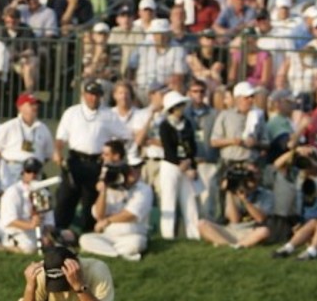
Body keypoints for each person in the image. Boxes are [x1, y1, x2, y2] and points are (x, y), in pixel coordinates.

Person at [53, 81, 134, 229]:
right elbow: (61, 137)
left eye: (97, 95)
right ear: (84, 95)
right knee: (65, 199)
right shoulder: (72, 112)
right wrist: (58, 152)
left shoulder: (108, 115)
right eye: (90, 94)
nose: (93, 98)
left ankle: (88, 234)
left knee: (90, 201)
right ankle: (59, 232)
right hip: (75, 161)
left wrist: (113, 151)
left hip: (96, 162)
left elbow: (125, 135)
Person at [77, 160, 154, 262]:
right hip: (109, 235)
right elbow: (99, 215)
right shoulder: (111, 188)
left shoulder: (143, 189)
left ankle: (109, 252)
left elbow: (131, 215)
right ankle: (117, 254)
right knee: (85, 239)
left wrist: (107, 220)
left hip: (132, 235)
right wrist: (103, 191)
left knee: (136, 243)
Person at [157, 91, 201, 239]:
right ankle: (168, 235)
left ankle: (193, 233)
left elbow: (192, 146)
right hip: (170, 166)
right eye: (178, 106)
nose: (181, 109)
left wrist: (190, 163)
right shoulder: (165, 126)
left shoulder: (187, 123)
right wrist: (179, 163)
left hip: (186, 165)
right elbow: (168, 149)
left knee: (189, 200)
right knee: (168, 200)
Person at [197, 162, 273, 248]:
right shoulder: (234, 192)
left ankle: (231, 244)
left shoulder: (266, 194)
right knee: (202, 224)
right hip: (231, 230)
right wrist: (229, 191)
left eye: (254, 175)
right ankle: (231, 246)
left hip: (250, 231)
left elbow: (260, 219)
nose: (251, 178)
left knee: (264, 231)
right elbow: (234, 220)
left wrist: (244, 200)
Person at [0, 157, 56, 253]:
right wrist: (30, 225)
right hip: (15, 231)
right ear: (23, 173)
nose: (32, 175)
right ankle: (6, 246)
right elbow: (10, 221)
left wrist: (46, 234)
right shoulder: (13, 192)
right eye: (29, 171)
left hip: (37, 231)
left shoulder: (44, 193)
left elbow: (50, 221)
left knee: (64, 241)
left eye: (35, 172)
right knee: (30, 248)